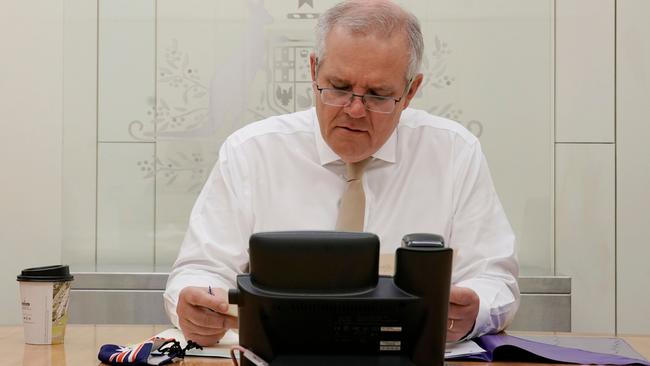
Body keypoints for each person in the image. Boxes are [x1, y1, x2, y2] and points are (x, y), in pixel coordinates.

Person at [164, 0, 519, 347]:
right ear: (313, 70)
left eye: (378, 95)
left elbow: (495, 280)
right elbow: (200, 271)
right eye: (338, 87)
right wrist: (195, 304)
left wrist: (474, 309)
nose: (354, 110)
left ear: (410, 91)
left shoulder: (453, 152)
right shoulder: (252, 152)